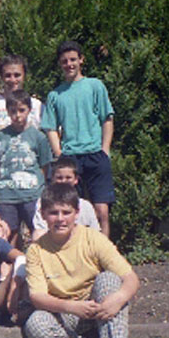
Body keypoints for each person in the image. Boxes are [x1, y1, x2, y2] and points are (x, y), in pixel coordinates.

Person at [23, 183, 139, 338]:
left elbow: (130, 278)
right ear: (43, 215)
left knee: (109, 279)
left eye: (66, 212)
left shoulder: (93, 238)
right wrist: (71, 307)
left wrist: (119, 298)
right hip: (65, 312)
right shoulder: (36, 251)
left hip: (97, 306)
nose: (60, 219)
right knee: (36, 326)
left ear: (77, 213)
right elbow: (37, 297)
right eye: (53, 213)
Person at [41, 40, 115, 236]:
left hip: (95, 154)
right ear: (60, 64)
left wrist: (105, 150)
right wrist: (59, 154)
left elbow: (107, 119)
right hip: (71, 158)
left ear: (81, 60)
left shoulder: (95, 86)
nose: (69, 64)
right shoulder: (55, 95)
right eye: (64, 61)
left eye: (73, 59)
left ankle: (104, 250)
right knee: (70, 211)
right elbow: (50, 128)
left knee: (102, 212)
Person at [0, 89, 52, 245]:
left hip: (32, 195)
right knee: (7, 236)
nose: (17, 115)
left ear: (29, 110)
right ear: (7, 111)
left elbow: (44, 166)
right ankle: (10, 261)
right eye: (13, 111)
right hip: (7, 196)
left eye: (22, 110)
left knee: (39, 234)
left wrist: (37, 186)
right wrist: (2, 183)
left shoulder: (39, 137)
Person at [0, 55, 42, 175]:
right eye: (8, 75)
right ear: (1, 77)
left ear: (24, 76)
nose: (13, 80)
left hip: (29, 169)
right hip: (1, 168)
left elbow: (42, 141)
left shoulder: (36, 105)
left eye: (17, 75)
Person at [31, 156, 100, 241]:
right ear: (52, 179)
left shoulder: (86, 206)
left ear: (76, 179)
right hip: (52, 244)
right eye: (59, 178)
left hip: (80, 245)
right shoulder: (43, 203)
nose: (64, 181)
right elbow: (40, 230)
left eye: (68, 177)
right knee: (37, 234)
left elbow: (95, 233)